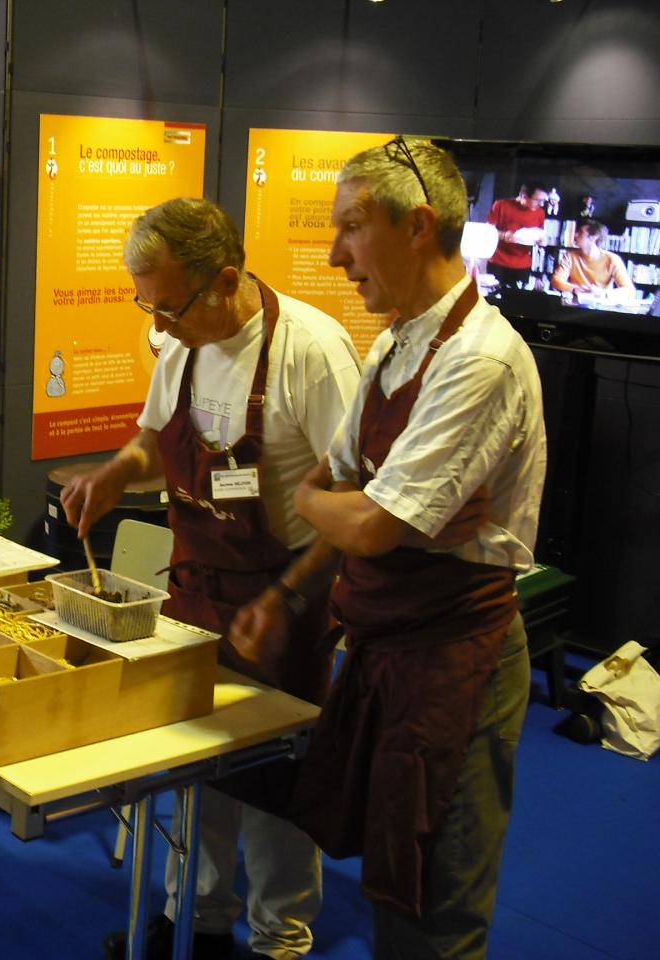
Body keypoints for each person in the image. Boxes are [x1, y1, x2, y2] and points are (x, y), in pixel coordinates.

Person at [236, 137, 546, 959]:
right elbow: (343, 491)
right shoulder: (392, 346)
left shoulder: (482, 360)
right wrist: (290, 591)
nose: (335, 255)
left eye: (351, 228)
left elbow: (369, 523)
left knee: (436, 907)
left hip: (459, 663)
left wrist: (329, 500)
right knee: (390, 879)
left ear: (417, 227)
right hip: (386, 652)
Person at [61, 197, 361, 960]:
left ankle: (276, 937)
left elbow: (356, 500)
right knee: (194, 765)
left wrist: (290, 598)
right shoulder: (181, 346)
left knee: (275, 793)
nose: (156, 327)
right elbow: (153, 447)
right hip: (195, 596)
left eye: (169, 307)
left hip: (282, 604)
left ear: (226, 280)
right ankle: (196, 917)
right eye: (146, 305)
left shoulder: (311, 352)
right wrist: (110, 475)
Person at [485, 181, 551, 288]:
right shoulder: (501, 205)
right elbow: (487, 231)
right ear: (523, 196)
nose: (541, 204)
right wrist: (503, 235)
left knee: (517, 299)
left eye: (543, 201)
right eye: (537, 201)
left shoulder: (540, 213)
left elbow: (541, 234)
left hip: (523, 265)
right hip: (498, 261)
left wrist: (543, 241)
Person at [550, 218, 634, 297]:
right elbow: (556, 280)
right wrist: (574, 289)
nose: (575, 235)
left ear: (593, 237)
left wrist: (602, 293)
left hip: (600, 307)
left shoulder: (612, 259)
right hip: (575, 303)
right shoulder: (570, 256)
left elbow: (629, 291)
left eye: (580, 232)